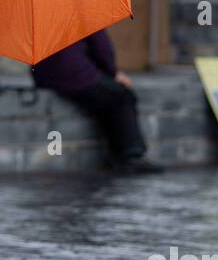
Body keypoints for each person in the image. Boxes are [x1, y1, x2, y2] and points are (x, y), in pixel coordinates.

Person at [32, 30, 163, 174]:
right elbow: (102, 48)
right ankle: (131, 154)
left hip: (44, 75)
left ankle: (118, 153)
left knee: (107, 95)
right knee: (122, 95)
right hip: (76, 74)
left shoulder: (42, 16)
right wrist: (113, 73)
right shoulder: (82, 10)